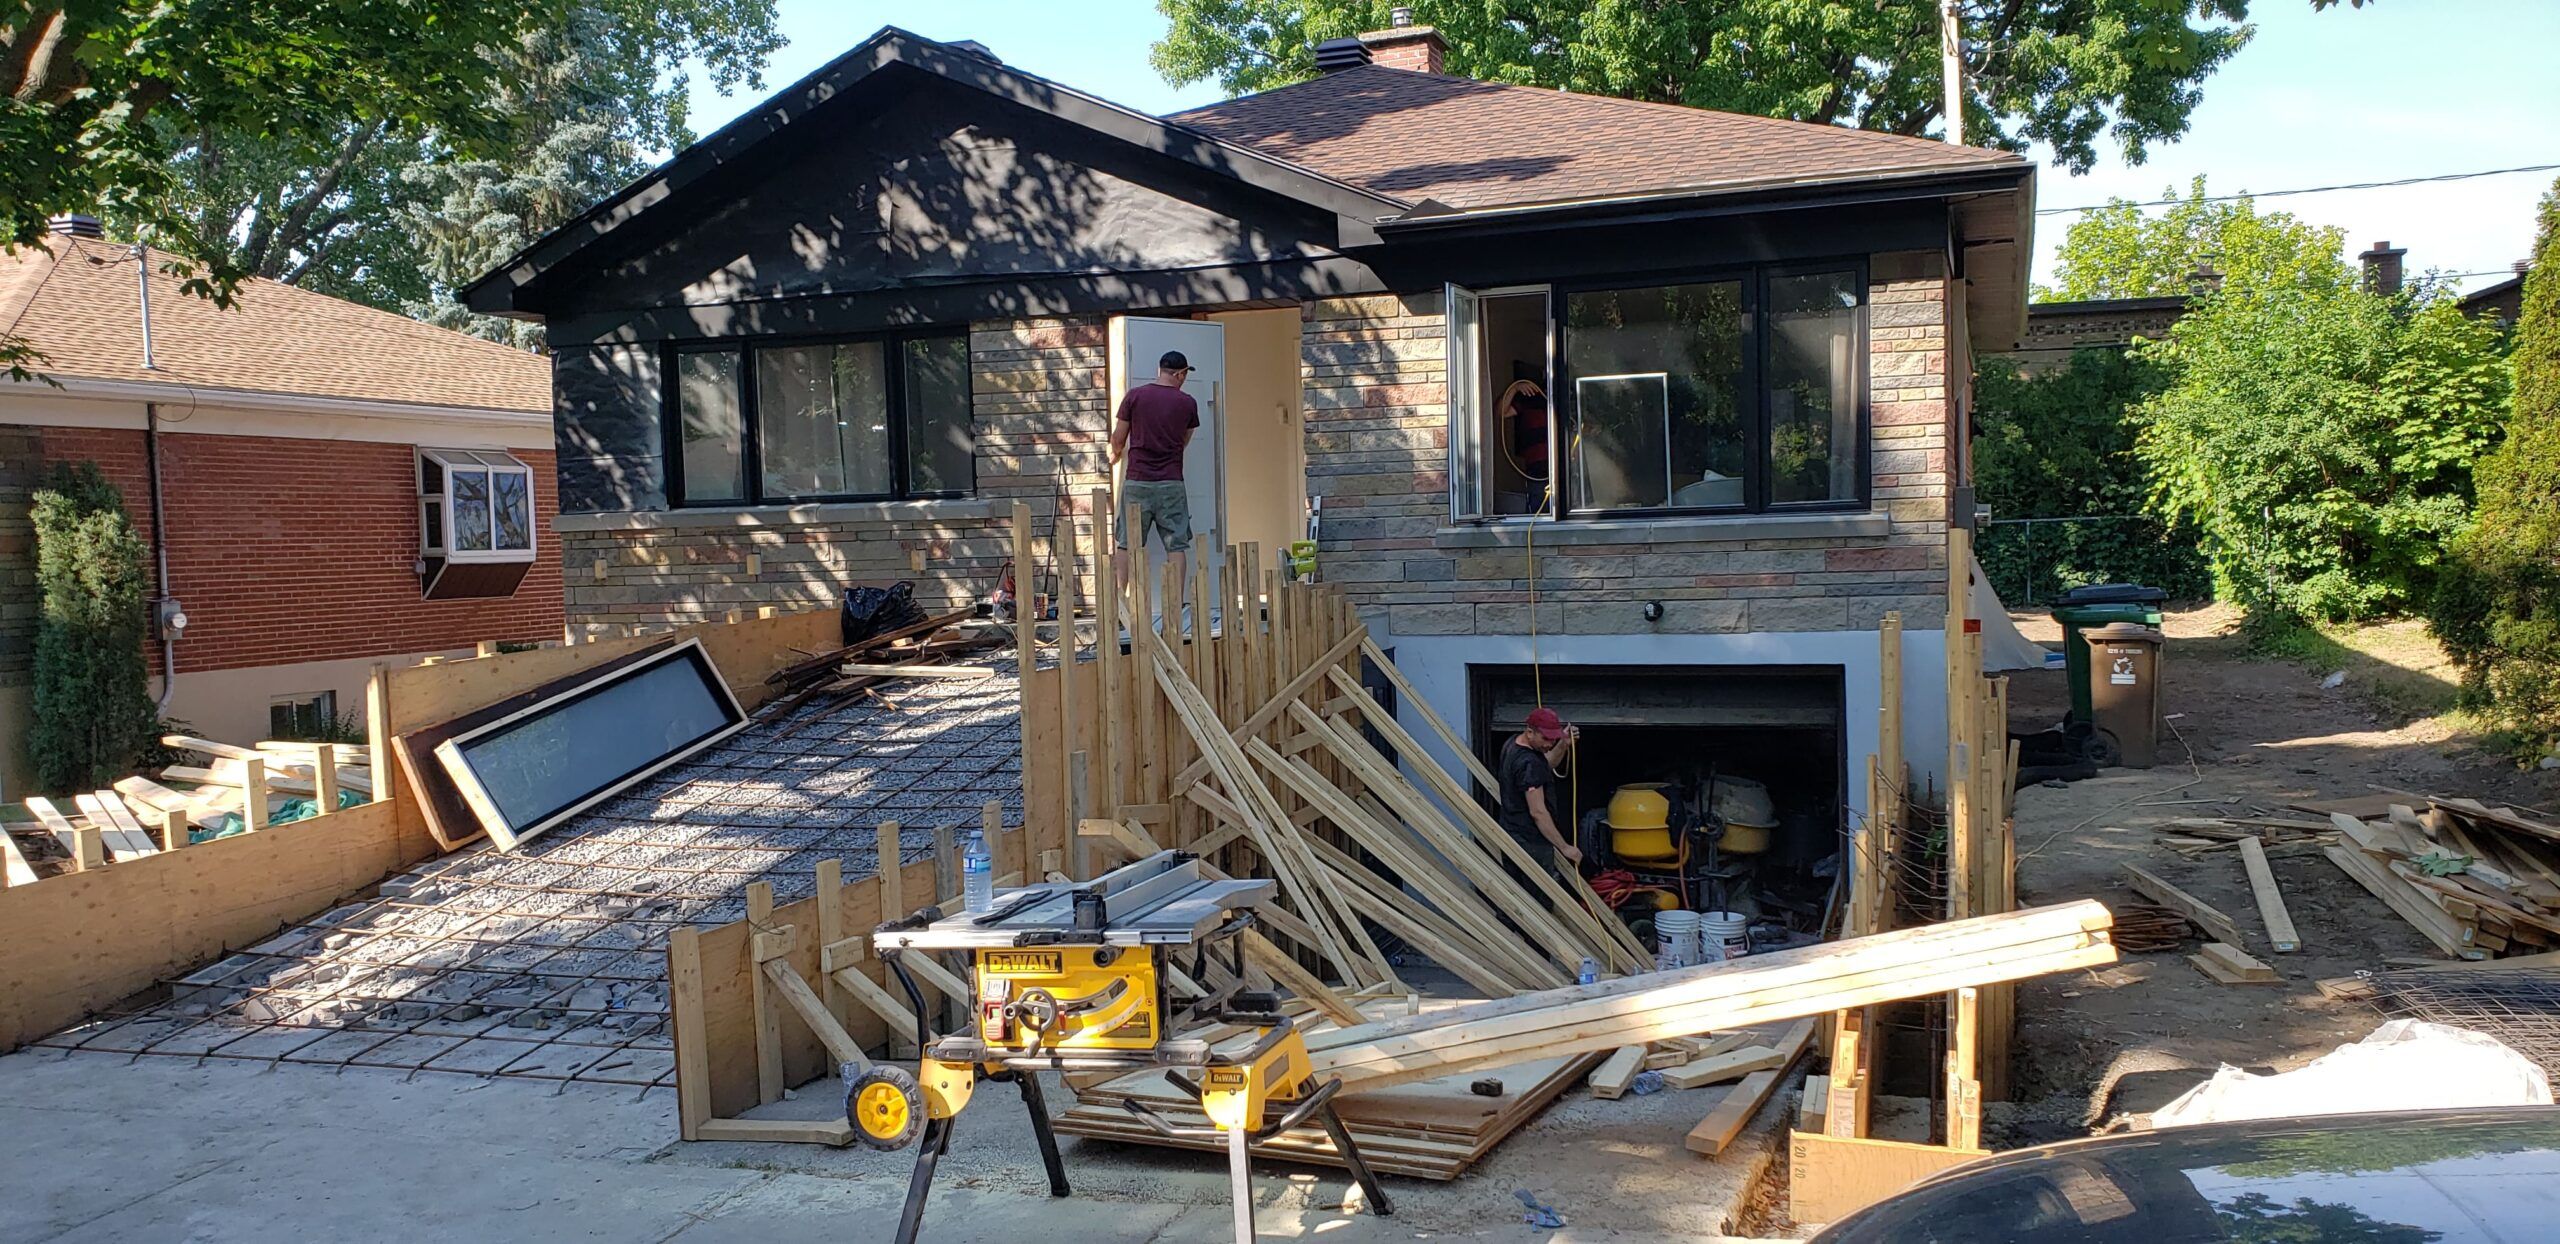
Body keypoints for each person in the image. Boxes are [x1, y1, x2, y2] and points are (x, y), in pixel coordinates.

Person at [1109, 350, 1199, 596]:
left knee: (1127, 543)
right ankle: (1176, 605)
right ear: (1180, 374)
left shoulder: (1135, 397)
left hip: (1138, 481)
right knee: (1176, 544)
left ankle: (1120, 603)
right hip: (1171, 482)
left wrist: (1116, 453)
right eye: (1185, 375)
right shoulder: (1187, 403)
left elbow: (1118, 437)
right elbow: (1184, 440)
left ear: (1160, 370)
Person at [1498, 706, 1582, 875]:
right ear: (1530, 732)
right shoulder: (1529, 763)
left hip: (1511, 834)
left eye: (1553, 739)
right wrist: (1565, 848)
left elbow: (1545, 766)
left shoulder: (1512, 744)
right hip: (1531, 843)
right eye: (1546, 739)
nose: (1549, 744)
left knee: (1518, 894)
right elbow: (1538, 812)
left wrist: (1563, 744)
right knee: (1538, 899)